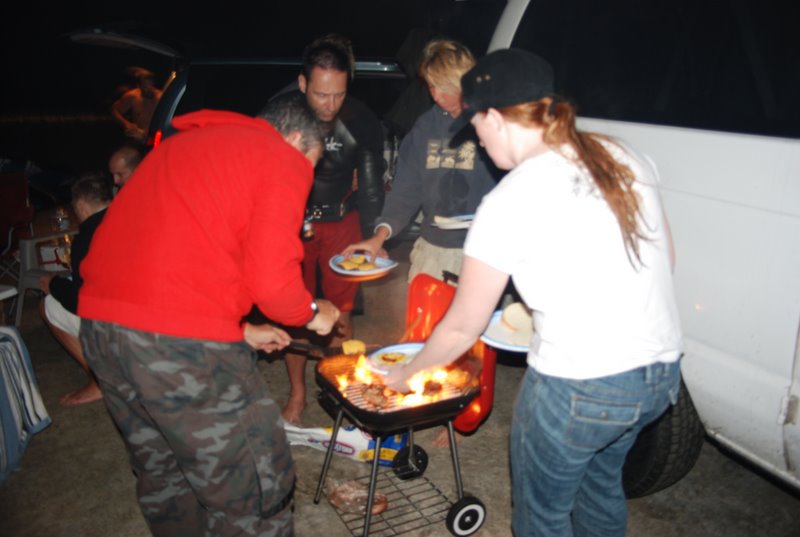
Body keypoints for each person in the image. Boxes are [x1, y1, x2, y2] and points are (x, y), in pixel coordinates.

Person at [383, 49, 683, 536]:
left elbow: (461, 328)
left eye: (476, 125)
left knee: (542, 516)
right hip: (659, 375)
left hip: (579, 386)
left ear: (495, 118)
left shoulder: (508, 201)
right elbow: (663, 262)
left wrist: (406, 375)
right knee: (600, 488)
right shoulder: (624, 155)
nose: (477, 140)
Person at [77, 93, 339, 537]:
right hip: (180, 347)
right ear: (295, 138)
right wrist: (314, 313)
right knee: (255, 488)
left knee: (165, 473)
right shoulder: (278, 155)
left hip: (103, 331)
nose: (306, 178)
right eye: (310, 165)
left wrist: (238, 331)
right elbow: (276, 286)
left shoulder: (181, 148)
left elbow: (176, 250)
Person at [281, 33, 385, 425]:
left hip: (342, 222)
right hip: (291, 224)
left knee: (341, 310)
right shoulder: (280, 114)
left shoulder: (359, 118)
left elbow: (372, 184)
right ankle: (297, 393)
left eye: (339, 94)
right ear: (304, 83)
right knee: (293, 311)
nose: (330, 105)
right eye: (322, 94)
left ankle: (348, 390)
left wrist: (377, 235)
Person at [341, 38, 499, 283]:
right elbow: (406, 190)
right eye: (431, 86)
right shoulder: (425, 128)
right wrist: (379, 236)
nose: (436, 95)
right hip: (434, 249)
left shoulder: (494, 125)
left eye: (443, 87)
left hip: (485, 251)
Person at [38, 173, 112, 406]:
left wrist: (53, 285)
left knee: (49, 304)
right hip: (158, 314)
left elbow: (82, 302)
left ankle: (100, 382)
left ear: (80, 205)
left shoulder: (89, 234)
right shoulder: (133, 217)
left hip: (122, 322)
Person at [111, 67, 163, 142]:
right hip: (137, 139)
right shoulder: (132, 96)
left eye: (151, 86)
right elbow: (114, 110)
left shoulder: (161, 98)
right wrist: (126, 124)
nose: (149, 89)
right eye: (145, 87)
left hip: (155, 140)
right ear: (139, 86)